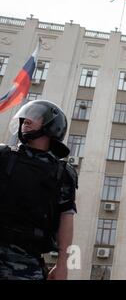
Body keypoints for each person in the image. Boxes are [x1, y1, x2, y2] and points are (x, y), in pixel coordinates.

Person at [0, 100, 77, 280]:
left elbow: (66, 219)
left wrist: (62, 265)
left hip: (26, 263)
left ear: (51, 126)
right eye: (25, 116)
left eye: (34, 116)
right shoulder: (3, 156)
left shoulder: (62, 174)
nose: (26, 120)